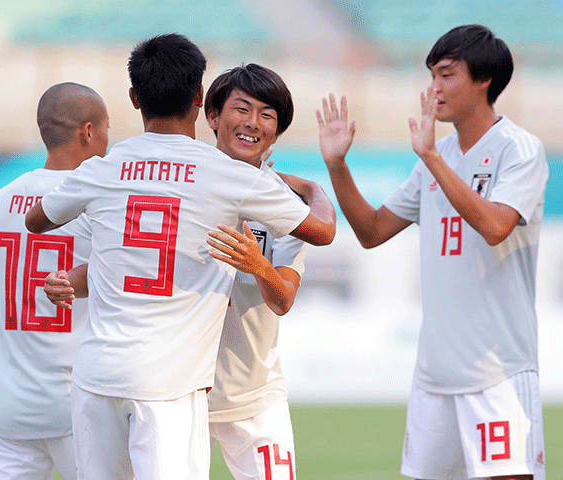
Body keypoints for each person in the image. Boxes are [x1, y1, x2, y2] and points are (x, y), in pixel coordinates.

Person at [25, 35, 335, 480]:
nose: (252, 123)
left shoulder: (106, 168)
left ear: (134, 98)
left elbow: (38, 222)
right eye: (242, 109)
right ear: (202, 103)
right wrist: (313, 187)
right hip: (170, 385)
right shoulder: (231, 177)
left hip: (101, 378)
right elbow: (323, 231)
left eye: (267, 114)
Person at [318, 25, 547, 480]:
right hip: (434, 377)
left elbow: (496, 226)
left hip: (498, 372)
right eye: (431, 76)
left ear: (483, 79)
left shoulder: (519, 149)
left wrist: (434, 160)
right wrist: (337, 165)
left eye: (446, 75)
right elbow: (372, 230)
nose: (434, 89)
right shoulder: (435, 155)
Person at [0, 82, 109, 480]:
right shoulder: (100, 203)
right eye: (106, 127)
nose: (109, 137)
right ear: (87, 131)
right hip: (79, 408)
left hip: (9, 413)